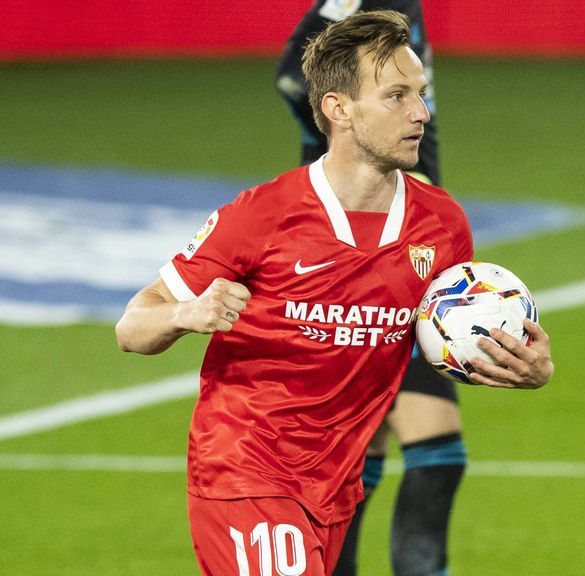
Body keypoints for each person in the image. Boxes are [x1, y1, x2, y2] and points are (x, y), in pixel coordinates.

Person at [115, 11, 553, 576]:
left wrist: (519, 364)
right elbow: (132, 326)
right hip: (249, 474)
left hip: (336, 487)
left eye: (420, 94)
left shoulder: (441, 227)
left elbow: (442, 341)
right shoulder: (262, 216)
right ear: (337, 109)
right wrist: (186, 312)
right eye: (396, 96)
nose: (421, 113)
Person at [276, 3, 464, 576]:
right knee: (411, 449)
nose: (418, 109)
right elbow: (291, 75)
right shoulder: (349, 5)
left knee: (380, 450)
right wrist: (347, 139)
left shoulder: (403, 7)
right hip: (351, 242)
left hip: (411, 227)